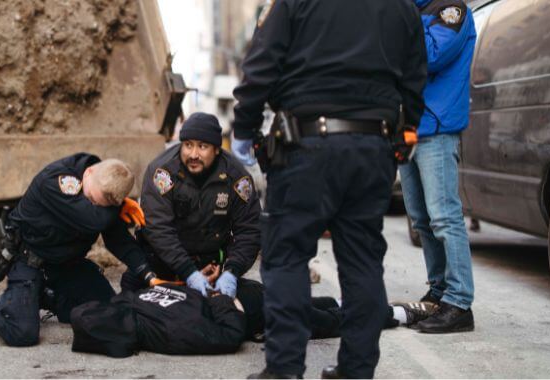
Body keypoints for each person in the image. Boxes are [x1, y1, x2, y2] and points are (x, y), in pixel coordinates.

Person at [230, 0, 427, 378]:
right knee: (363, 263)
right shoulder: (403, 7)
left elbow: (262, 63)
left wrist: (244, 127)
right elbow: (416, 75)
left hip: (306, 146)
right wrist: (406, 130)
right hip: (373, 145)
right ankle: (357, 369)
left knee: (287, 258)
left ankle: (285, 370)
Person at [0, 154, 156, 347]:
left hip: (67, 266)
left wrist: (148, 275)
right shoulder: (57, 180)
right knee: (21, 333)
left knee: (109, 311)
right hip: (29, 263)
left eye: (104, 206)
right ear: (88, 172)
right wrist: (120, 205)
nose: (97, 206)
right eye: (92, 200)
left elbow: (119, 240)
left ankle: (45, 297)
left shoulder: (102, 196)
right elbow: (93, 220)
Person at [120, 112, 261, 316]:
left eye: (202, 146)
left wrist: (232, 271)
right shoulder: (162, 172)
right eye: (188, 145)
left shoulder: (236, 177)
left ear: (216, 149)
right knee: (130, 304)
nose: (193, 154)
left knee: (247, 307)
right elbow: (158, 229)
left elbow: (250, 229)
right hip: (164, 264)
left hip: (210, 266)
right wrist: (189, 273)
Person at [70, 280, 434, 359]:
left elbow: (174, 288)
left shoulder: (130, 303)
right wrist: (223, 300)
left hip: (247, 299)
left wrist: (207, 284)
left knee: (316, 313)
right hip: (250, 309)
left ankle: (377, 308)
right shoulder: (168, 331)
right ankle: (396, 313)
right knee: (322, 319)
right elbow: (229, 336)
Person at [400, 0, 477, 334]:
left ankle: (459, 302)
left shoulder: (452, 10)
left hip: (438, 127)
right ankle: (439, 291)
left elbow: (430, 56)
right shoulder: (412, 12)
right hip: (408, 130)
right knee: (421, 220)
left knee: (445, 216)